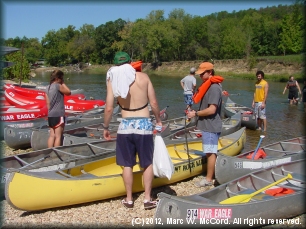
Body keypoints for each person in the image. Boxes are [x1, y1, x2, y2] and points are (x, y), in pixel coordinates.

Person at [103, 51, 162, 209]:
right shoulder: (144, 78)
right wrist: (158, 120)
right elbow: (154, 103)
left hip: (125, 126)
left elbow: (109, 108)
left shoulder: (113, 81)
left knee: (127, 164)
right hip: (143, 125)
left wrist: (106, 127)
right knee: (147, 163)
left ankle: (129, 199)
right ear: (130, 62)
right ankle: (147, 199)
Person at [186, 62, 223, 187]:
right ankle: (213, 175)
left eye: (203, 73)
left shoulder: (214, 88)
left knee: (210, 152)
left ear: (210, 72)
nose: (200, 76)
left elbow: (212, 109)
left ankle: (208, 179)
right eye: (200, 74)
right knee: (209, 151)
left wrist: (195, 113)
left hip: (211, 125)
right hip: (207, 125)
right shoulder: (208, 86)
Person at [45, 70, 71, 147]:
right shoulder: (57, 86)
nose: (62, 80)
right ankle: (56, 153)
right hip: (58, 114)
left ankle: (49, 151)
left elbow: (48, 103)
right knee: (58, 136)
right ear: (57, 78)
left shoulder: (47, 88)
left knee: (52, 136)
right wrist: (63, 83)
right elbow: (69, 92)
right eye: (61, 78)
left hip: (50, 115)